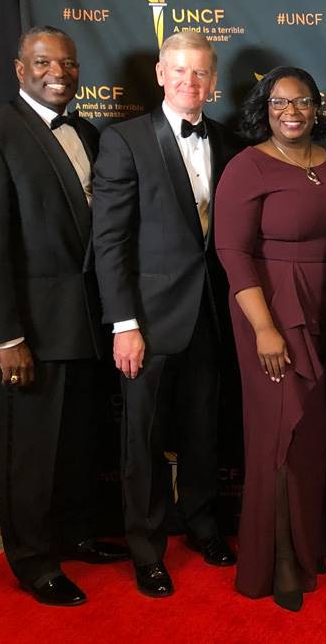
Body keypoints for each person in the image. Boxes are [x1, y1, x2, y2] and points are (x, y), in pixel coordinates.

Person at [0, 25, 129, 607]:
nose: (59, 73)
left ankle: (77, 533)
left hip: (86, 322)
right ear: (19, 68)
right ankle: (32, 560)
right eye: (45, 62)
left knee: (79, 442)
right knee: (30, 451)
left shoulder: (88, 131)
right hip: (30, 329)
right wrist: (6, 338)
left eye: (69, 64)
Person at [92, 31, 239, 598]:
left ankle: (201, 524)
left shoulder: (228, 140)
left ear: (214, 80)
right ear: (159, 73)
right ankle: (147, 548)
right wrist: (123, 324)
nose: (189, 83)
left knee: (203, 431)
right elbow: (110, 241)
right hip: (148, 321)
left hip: (211, 313)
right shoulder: (124, 140)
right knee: (143, 439)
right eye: (179, 72)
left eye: (200, 73)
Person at [215, 67, 326, 611]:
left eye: (301, 102)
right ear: (264, 108)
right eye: (279, 102)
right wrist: (265, 328)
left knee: (315, 434)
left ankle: (309, 543)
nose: (290, 111)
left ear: (317, 108)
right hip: (271, 309)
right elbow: (232, 252)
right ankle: (276, 564)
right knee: (280, 435)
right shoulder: (247, 166)